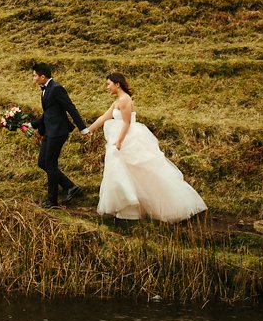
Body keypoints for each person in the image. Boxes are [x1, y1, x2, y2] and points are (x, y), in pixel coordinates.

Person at [82, 72, 206, 222]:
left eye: (109, 84)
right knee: (122, 172)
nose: (107, 87)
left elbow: (127, 123)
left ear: (117, 84)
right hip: (119, 139)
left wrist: (120, 141)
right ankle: (128, 210)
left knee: (140, 173)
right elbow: (104, 117)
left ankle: (162, 205)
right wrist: (88, 129)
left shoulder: (125, 100)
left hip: (128, 140)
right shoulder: (117, 102)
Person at [31, 62, 90, 208]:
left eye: (34, 76)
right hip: (50, 131)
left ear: (43, 77)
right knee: (42, 163)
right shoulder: (45, 89)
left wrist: (83, 128)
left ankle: (52, 201)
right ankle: (70, 186)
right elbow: (48, 112)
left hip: (58, 132)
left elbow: (71, 108)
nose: (33, 78)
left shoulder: (57, 89)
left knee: (50, 164)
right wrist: (33, 125)